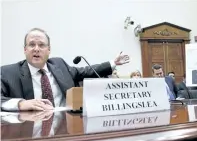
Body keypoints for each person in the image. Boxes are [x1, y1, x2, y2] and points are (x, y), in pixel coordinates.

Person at [1, 28, 130, 111]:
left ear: (49, 50)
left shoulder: (59, 65)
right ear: (25, 50)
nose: (36, 49)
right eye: (31, 45)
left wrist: (113, 63)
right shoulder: (8, 73)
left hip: (66, 126)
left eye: (41, 45)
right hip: (29, 132)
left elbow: (85, 71)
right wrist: (20, 104)